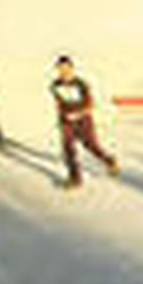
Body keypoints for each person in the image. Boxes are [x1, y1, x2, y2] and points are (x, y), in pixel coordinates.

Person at [49, 55, 120, 189]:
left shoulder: (81, 84)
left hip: (84, 121)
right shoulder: (55, 85)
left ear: (71, 68)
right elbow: (59, 103)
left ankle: (110, 161)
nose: (63, 72)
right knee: (68, 149)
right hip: (66, 122)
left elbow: (91, 105)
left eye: (66, 69)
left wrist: (78, 114)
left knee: (91, 146)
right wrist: (61, 119)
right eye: (60, 69)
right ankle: (75, 178)